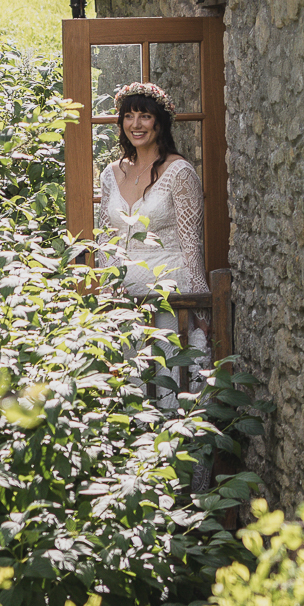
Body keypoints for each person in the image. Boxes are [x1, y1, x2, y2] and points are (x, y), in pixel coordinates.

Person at [94, 82, 207, 400]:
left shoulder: (179, 171)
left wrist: (202, 311)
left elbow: (191, 246)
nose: (136, 124)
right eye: (129, 116)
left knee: (168, 376)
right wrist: (108, 292)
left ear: (160, 122)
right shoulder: (110, 174)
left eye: (145, 116)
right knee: (130, 383)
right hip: (124, 299)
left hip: (168, 293)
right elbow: (106, 241)